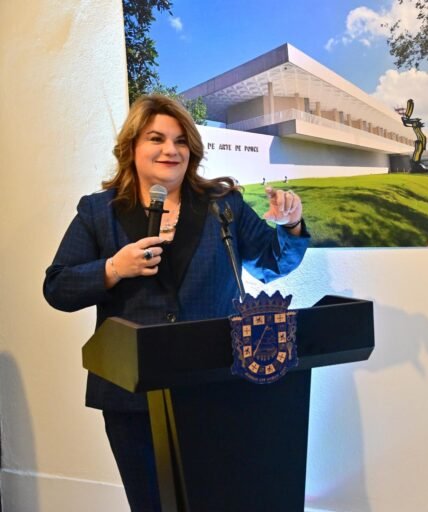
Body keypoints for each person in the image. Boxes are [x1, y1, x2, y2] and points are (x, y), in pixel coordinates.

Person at [43, 95, 310, 510]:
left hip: (216, 385)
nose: (171, 149)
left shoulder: (224, 206)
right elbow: (57, 288)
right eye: (156, 138)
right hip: (131, 397)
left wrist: (291, 224)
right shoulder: (100, 212)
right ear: (131, 147)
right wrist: (113, 268)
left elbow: (273, 264)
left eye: (181, 141)